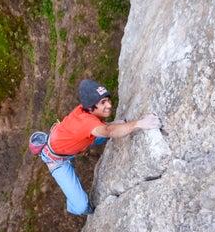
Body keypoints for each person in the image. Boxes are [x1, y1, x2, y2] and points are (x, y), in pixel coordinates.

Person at [38, 79, 160, 215]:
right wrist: (140, 123)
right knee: (81, 207)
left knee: (105, 131)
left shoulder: (87, 109)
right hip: (56, 160)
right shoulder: (86, 123)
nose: (109, 105)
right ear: (90, 108)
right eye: (103, 103)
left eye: (108, 100)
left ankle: (105, 129)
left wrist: (111, 127)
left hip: (71, 144)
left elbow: (104, 129)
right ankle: (85, 210)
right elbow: (109, 131)